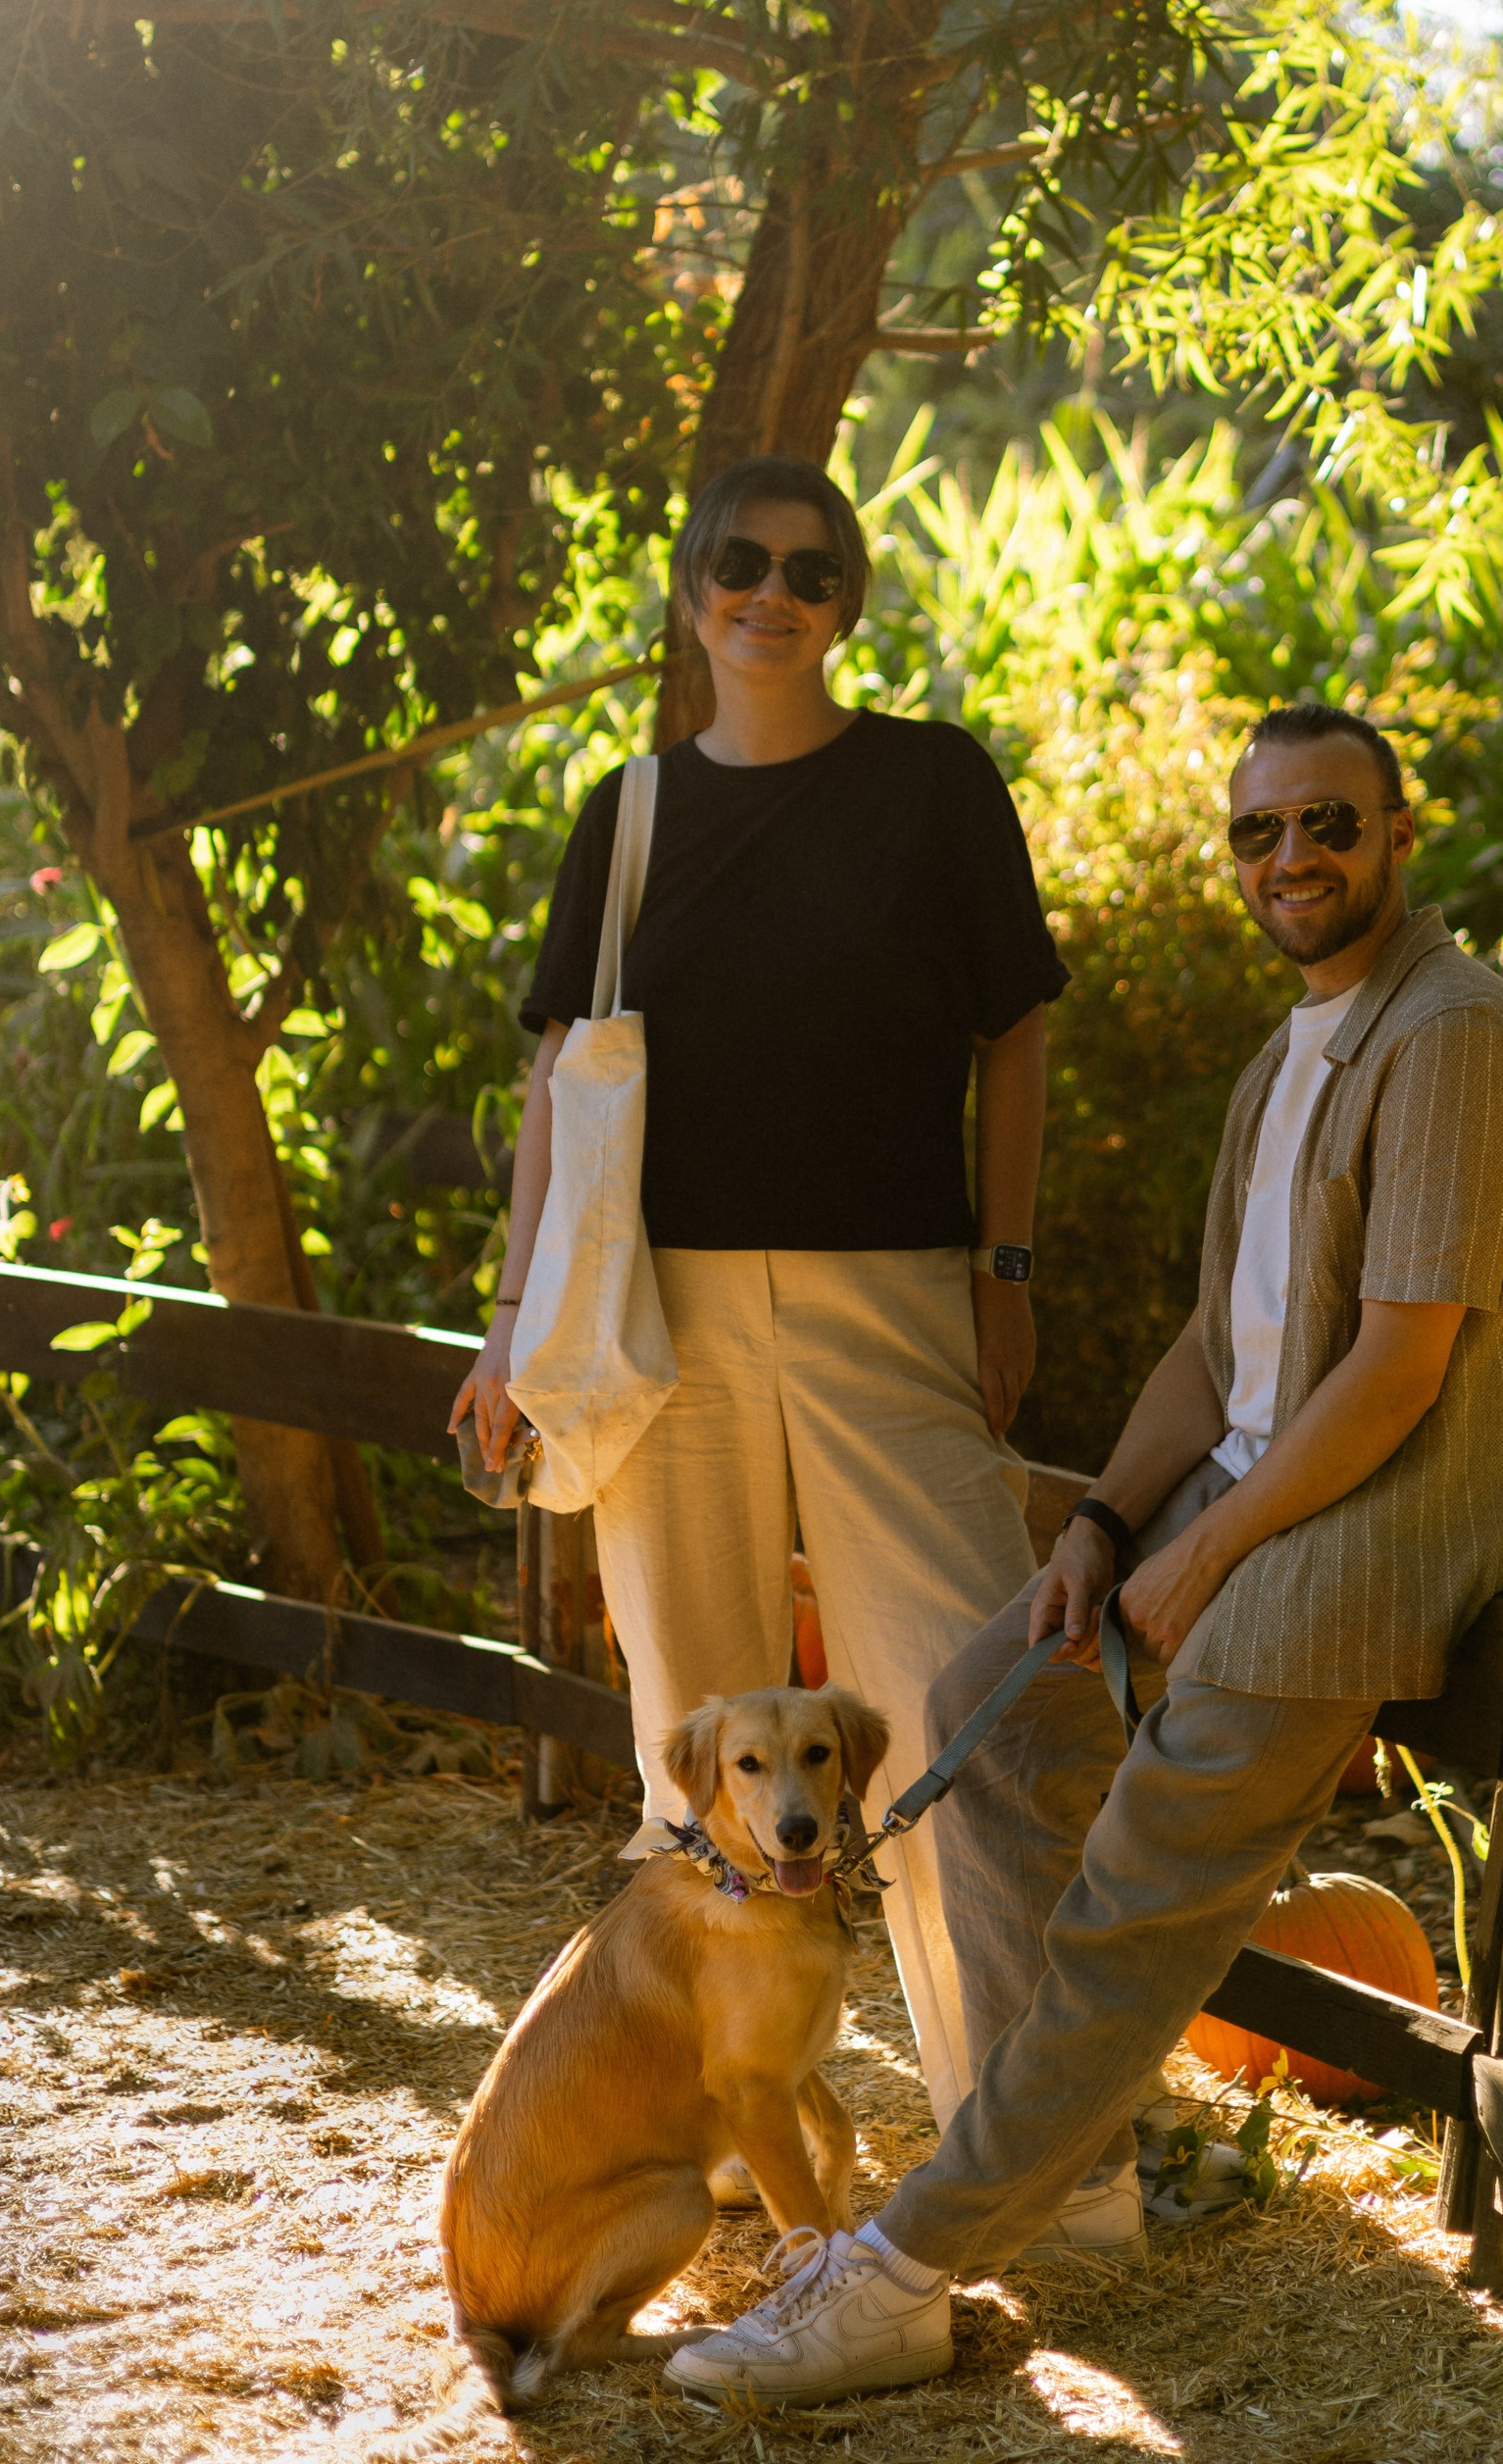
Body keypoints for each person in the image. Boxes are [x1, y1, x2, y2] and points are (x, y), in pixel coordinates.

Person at [664, 699, 1503, 2404]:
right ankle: (1071, 2189)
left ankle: (902, 2269)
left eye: (1327, 823)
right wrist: (1098, 1524)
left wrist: (1215, 1544)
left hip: (1349, 1554)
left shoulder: (1449, 1038)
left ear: (1398, 835)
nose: (1291, 858)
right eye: (1259, 833)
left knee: (1129, 1914)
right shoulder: (1287, 1057)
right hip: (1231, 1515)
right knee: (982, 1712)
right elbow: (1210, 1356)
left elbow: (1399, 1367)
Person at [450, 456, 1067, 2128]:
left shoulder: (937, 786)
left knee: (964, 1719)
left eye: (812, 570)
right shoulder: (629, 813)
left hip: (899, 1299)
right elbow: (562, 1083)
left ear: (848, 602)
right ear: (690, 588)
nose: (773, 593)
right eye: (740, 560)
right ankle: (713, 2129)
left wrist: (1006, 1267)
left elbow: (1014, 1033)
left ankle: (1026, 2167)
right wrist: (510, 1320)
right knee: (693, 1743)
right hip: (671, 1322)